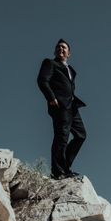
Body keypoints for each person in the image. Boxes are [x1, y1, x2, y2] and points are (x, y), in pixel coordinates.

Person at [37, 39, 87, 180]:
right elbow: (42, 80)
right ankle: (58, 172)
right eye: (58, 47)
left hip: (72, 106)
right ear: (55, 51)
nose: (61, 49)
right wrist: (51, 98)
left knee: (81, 135)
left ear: (69, 53)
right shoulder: (50, 63)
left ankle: (65, 166)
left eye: (64, 47)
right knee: (62, 137)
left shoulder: (71, 70)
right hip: (59, 106)